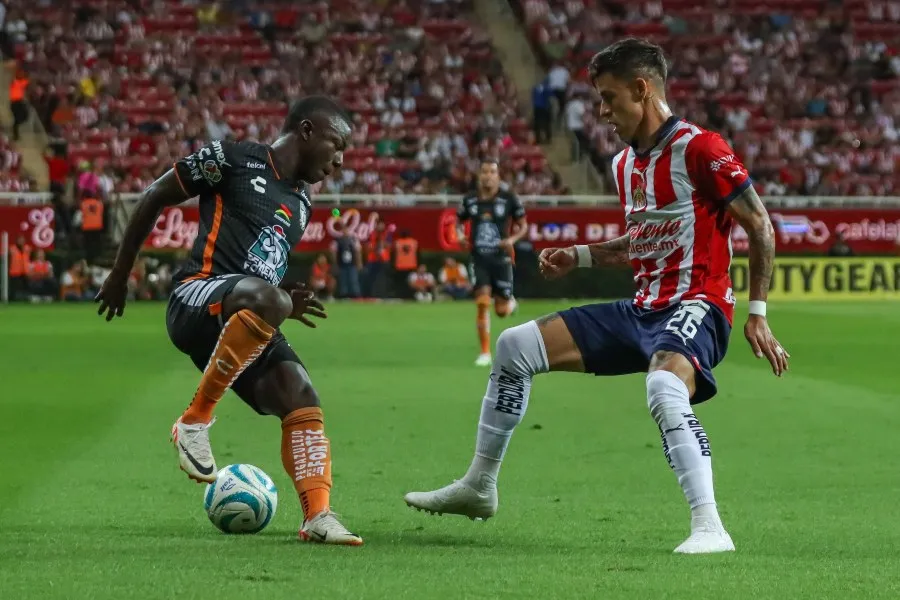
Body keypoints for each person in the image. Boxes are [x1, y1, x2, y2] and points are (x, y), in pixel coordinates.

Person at [403, 39, 789, 555]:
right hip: (641, 310)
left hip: (699, 305)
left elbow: (759, 225)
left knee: (663, 385)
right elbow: (647, 239)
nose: (602, 112)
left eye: (609, 99)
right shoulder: (625, 164)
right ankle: (479, 485)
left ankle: (710, 526)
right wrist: (580, 256)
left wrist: (758, 314)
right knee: (514, 346)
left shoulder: (701, 149)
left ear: (641, 89)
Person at [95, 95, 363, 546]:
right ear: (307, 131)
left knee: (301, 396)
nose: (339, 161)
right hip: (195, 298)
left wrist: (281, 305)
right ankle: (194, 421)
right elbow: (156, 193)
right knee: (267, 300)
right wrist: (121, 274)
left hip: (242, 314)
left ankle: (318, 516)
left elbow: (261, 270)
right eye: (337, 146)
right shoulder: (234, 159)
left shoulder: (301, 204)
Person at [456, 159, 528, 366]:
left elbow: (523, 225)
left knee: (501, 311)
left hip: (501, 258)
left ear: (498, 176)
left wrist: (512, 240)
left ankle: (510, 303)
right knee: (482, 302)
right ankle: (485, 352)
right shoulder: (470, 200)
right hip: (478, 258)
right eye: (484, 171)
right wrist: (460, 235)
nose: (488, 175)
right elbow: (458, 221)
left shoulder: (509, 199)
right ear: (479, 175)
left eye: (492, 172)